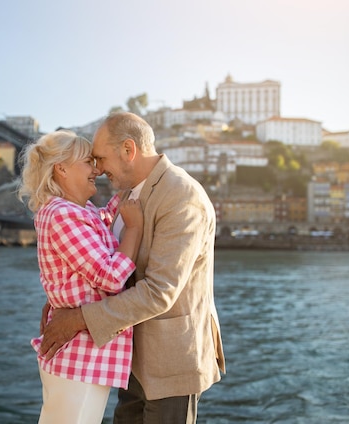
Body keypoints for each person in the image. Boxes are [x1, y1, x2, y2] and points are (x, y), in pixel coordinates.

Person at [39, 112, 226, 423]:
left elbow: (159, 292)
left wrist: (78, 319)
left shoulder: (181, 196)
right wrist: (62, 300)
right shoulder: (127, 192)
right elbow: (103, 260)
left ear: (128, 150)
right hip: (132, 357)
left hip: (171, 360)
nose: (97, 169)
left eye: (100, 158)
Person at [17, 129, 144, 424]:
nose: (96, 170)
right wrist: (135, 230)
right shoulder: (62, 214)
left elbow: (109, 214)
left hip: (82, 355)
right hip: (79, 357)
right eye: (88, 162)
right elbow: (110, 277)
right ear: (61, 168)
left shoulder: (80, 211)